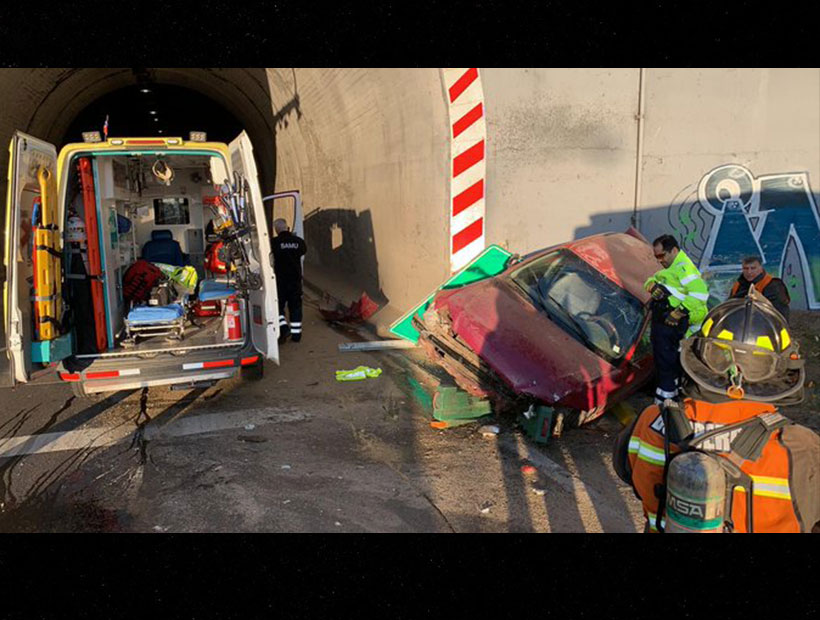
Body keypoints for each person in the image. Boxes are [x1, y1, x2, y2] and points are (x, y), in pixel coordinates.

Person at [612, 289, 819, 533]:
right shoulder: (802, 446)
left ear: (699, 357)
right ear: (781, 369)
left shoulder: (651, 421)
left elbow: (632, 478)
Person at [644, 234, 709, 404]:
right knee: (667, 363)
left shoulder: (684, 268)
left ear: (673, 250)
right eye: (656, 256)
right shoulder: (671, 268)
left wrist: (678, 313)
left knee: (668, 363)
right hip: (666, 322)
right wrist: (651, 285)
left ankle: (665, 400)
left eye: (661, 255)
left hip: (672, 324)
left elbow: (700, 294)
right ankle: (669, 395)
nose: (659, 260)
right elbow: (656, 277)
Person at [272, 218, 307, 343]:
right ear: (287, 228)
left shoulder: (274, 243)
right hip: (295, 281)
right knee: (295, 307)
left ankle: (283, 327)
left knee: (277, 307)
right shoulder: (298, 241)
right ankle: (296, 336)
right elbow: (303, 251)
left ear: (276, 230)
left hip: (280, 281)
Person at [729, 255, 790, 322]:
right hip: (738, 326)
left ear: (761, 268)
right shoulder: (737, 285)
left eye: (753, 268)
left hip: (766, 327)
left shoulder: (774, 284)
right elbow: (729, 307)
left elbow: (781, 314)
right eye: (746, 268)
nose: (749, 272)